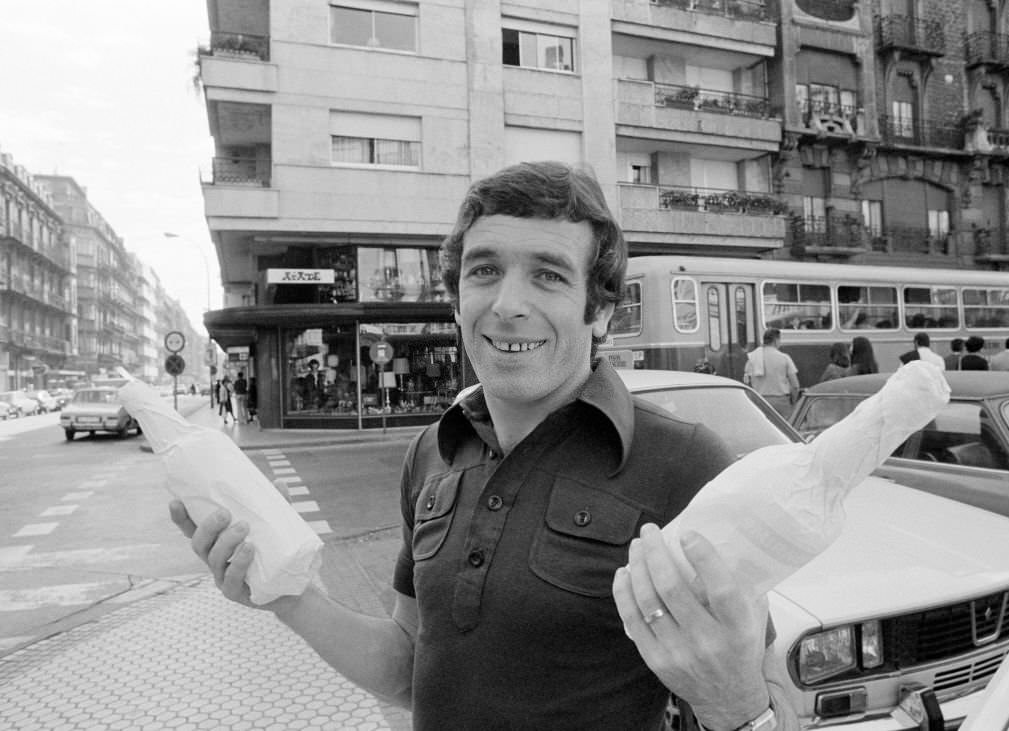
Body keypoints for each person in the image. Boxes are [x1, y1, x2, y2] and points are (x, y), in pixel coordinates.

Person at [169, 162, 795, 731]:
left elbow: (766, 695)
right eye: (485, 271)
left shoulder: (684, 463)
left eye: (548, 276)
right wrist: (285, 596)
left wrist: (736, 707)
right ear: (458, 298)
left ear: (598, 312)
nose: (507, 304)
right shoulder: (431, 454)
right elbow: (406, 668)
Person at [743, 327, 800, 419]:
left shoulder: (753, 358)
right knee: (784, 430)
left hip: (760, 401)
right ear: (776, 341)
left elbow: (747, 383)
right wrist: (793, 401)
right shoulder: (784, 358)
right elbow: (795, 385)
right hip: (781, 402)